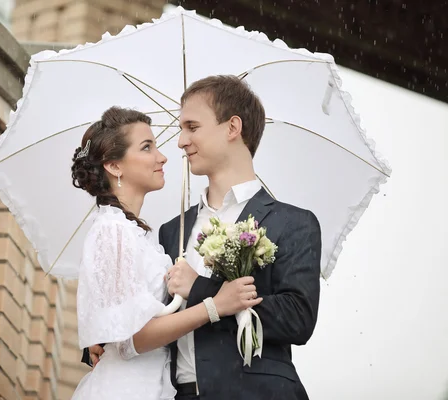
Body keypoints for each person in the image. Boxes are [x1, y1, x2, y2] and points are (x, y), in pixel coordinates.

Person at [87, 77, 322, 399]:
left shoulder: (292, 222)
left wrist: (202, 289)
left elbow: (298, 320)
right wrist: (110, 336)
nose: (181, 142)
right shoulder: (170, 231)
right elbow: (148, 318)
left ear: (232, 127)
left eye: (192, 127)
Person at [71, 106, 260, 400]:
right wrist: (214, 306)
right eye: (147, 147)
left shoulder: (141, 234)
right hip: (127, 389)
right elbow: (132, 340)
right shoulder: (111, 231)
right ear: (114, 166)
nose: (162, 157)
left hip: (159, 385)